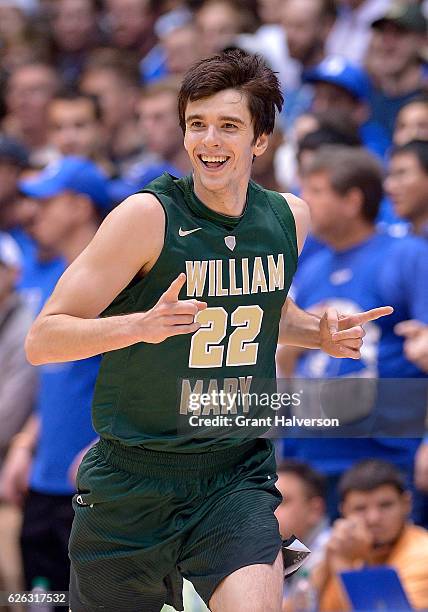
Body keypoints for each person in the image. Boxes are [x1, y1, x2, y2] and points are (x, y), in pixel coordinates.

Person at [25, 50, 391, 612]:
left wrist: (319, 332)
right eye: (197, 125)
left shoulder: (288, 217)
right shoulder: (145, 217)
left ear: (260, 140)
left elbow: (268, 312)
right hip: (132, 478)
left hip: (232, 470)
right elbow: (43, 338)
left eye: (228, 126)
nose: (209, 141)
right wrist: (138, 326)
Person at [278, 145, 428, 519]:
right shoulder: (311, 268)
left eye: (315, 190)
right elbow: (286, 361)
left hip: (384, 459)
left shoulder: (408, 255)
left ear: (352, 200)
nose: (303, 200)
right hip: (312, 457)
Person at [1, 156, 111, 599]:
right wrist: (26, 445)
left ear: (81, 207)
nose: (34, 212)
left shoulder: (115, 281)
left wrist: (103, 448)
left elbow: (137, 381)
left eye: (48, 201)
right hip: (44, 477)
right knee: (37, 599)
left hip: (89, 482)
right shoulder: (57, 278)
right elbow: (58, 380)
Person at [312, 459, 428, 611]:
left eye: (385, 505)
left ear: (406, 504)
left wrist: (343, 565)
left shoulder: (422, 553)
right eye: (360, 509)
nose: (373, 519)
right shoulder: (339, 546)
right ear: (344, 511)